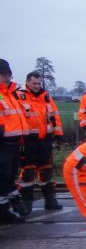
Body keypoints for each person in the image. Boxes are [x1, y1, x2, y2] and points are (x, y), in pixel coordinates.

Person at [13, 71, 64, 214]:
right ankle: (27, 202)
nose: (37, 86)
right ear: (27, 82)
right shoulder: (18, 95)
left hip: (45, 139)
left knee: (46, 169)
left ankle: (50, 200)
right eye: (34, 83)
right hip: (27, 139)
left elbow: (55, 116)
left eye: (39, 83)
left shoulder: (46, 96)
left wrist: (58, 134)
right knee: (28, 171)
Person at [0, 59, 30, 224]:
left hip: (13, 141)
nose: (7, 78)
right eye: (3, 74)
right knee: (3, 177)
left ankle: (5, 211)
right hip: (3, 142)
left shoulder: (10, 93)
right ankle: (4, 211)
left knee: (9, 176)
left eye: (8, 74)